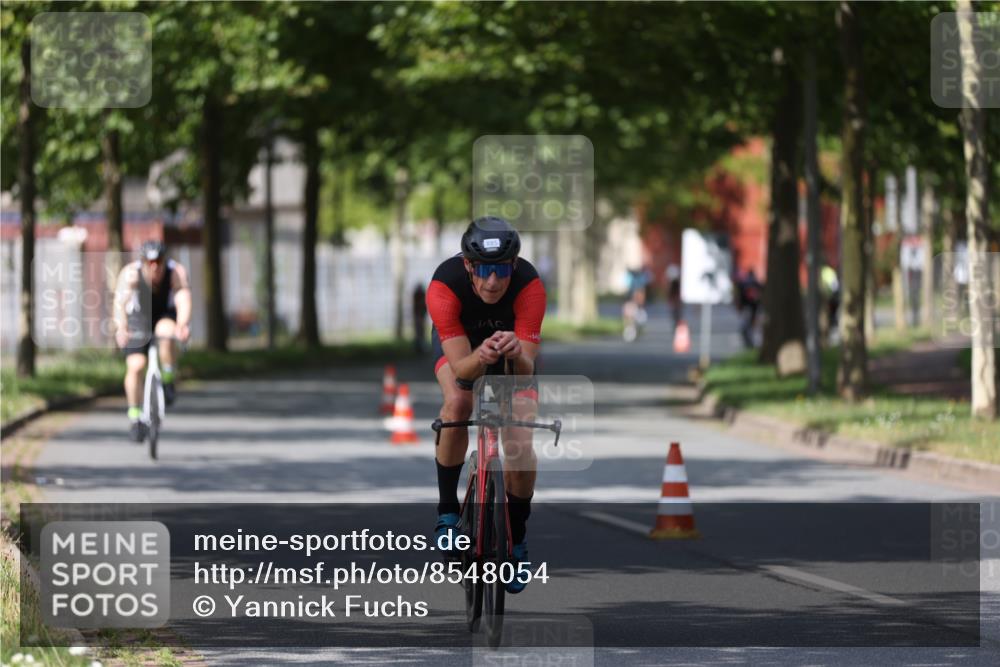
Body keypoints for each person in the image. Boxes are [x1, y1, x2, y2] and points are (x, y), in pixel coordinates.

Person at [426, 216, 546, 594]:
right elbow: (462, 372)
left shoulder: (530, 287)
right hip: (462, 348)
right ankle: (448, 512)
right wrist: (482, 356)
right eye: (483, 270)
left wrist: (513, 353)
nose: (492, 281)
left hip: (512, 356)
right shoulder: (444, 285)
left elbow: (526, 372)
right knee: (459, 402)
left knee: (521, 439)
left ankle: (519, 540)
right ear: (468, 266)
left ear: (512, 265)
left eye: (500, 270)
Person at [112, 240, 192, 442]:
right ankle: (135, 417)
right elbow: (119, 302)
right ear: (143, 261)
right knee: (136, 366)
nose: (155, 266)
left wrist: (182, 325)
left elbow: (183, 298)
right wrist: (121, 328)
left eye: (159, 261)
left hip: (164, 315)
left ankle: (167, 379)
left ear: (164, 260)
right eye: (150, 262)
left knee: (167, 333)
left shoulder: (176, 272)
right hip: (139, 318)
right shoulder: (131, 274)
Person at [735, 269, 762, 349]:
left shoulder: (744, 283)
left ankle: (749, 343)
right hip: (755, 307)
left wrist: (739, 306)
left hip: (746, 307)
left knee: (746, 327)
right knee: (755, 327)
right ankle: (753, 343)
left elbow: (739, 296)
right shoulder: (757, 283)